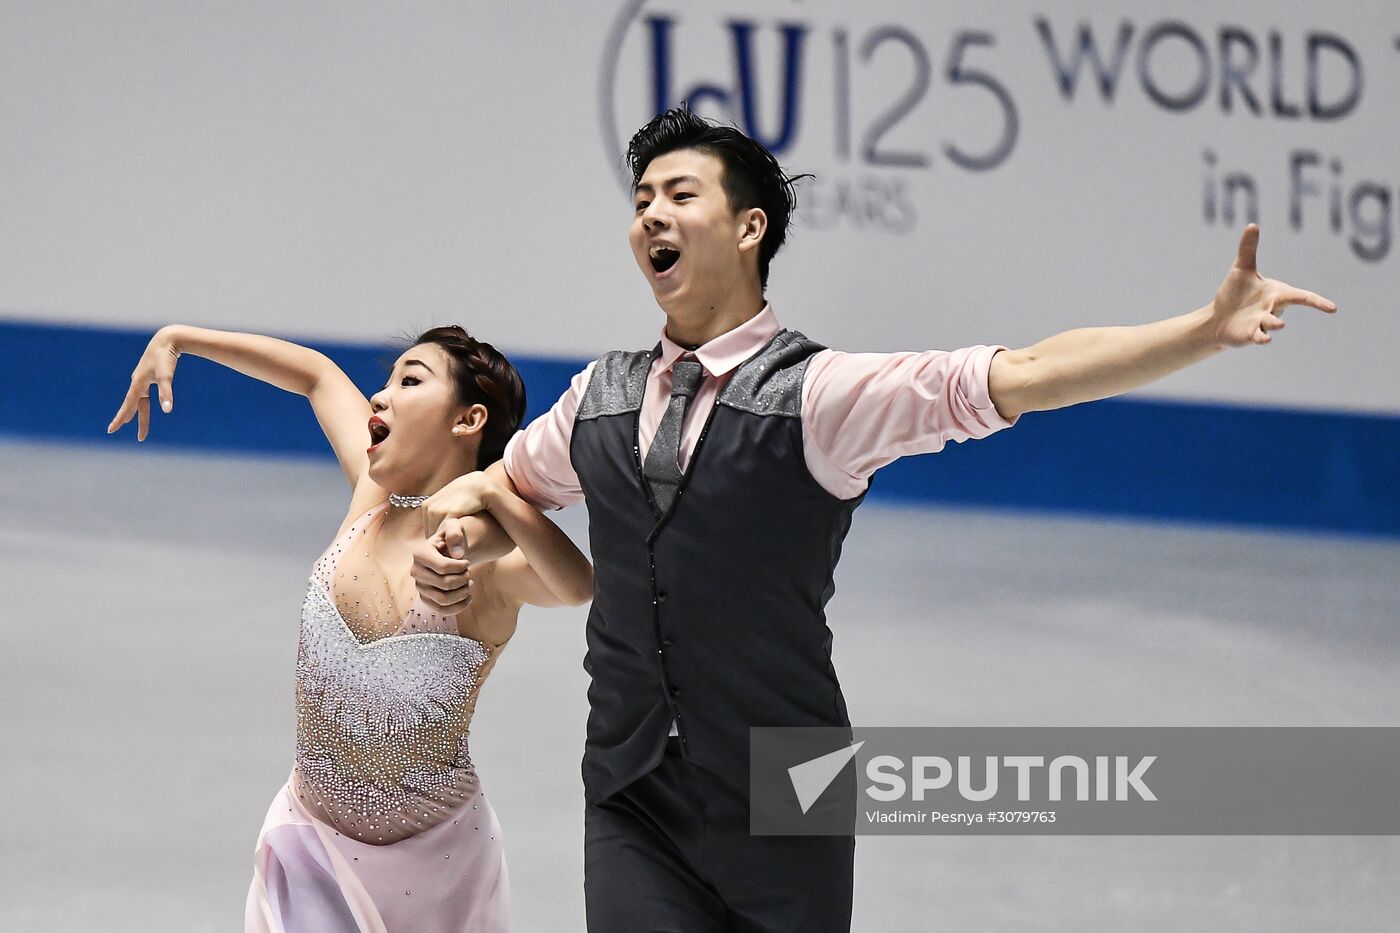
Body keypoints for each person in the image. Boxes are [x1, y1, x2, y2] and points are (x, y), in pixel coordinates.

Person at [411, 108, 1338, 932]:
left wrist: (1199, 330)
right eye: (642, 196)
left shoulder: (824, 395)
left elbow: (1028, 372)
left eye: (678, 193)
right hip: (631, 787)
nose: (649, 212)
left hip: (791, 791)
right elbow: (509, 491)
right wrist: (460, 529)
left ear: (748, 228)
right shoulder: (596, 399)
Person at [107, 323, 593, 932]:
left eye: (409, 381)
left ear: (467, 421)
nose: (380, 398)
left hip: (439, 871)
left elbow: (577, 585)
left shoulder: (486, 567)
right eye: (385, 383)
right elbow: (314, 375)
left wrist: (493, 496)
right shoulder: (370, 499)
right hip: (310, 848)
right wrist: (179, 338)